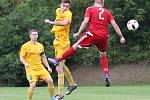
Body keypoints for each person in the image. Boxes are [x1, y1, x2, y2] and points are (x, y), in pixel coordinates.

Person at [48, 0, 125, 87]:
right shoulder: (107, 12)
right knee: (103, 54)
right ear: (103, 3)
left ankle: (57, 60)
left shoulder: (90, 9)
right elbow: (114, 24)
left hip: (92, 34)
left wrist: (78, 33)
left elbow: (85, 21)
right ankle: (106, 75)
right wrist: (121, 36)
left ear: (95, 1)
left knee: (75, 45)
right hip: (104, 37)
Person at [44, 0, 77, 99]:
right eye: (64, 5)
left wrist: (51, 22)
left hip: (63, 43)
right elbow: (59, 19)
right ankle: (72, 84)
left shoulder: (68, 14)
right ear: (60, 5)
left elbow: (64, 23)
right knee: (61, 66)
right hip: (57, 42)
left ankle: (60, 94)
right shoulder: (58, 10)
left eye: (67, 6)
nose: (65, 8)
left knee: (58, 67)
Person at [20, 29, 55, 100]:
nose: (35, 36)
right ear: (30, 36)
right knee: (33, 85)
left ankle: (52, 98)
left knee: (50, 81)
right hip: (31, 69)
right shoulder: (25, 46)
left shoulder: (40, 46)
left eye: (36, 34)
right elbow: (21, 57)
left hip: (40, 68)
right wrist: (25, 63)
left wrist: (48, 67)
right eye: (33, 34)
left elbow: (43, 57)